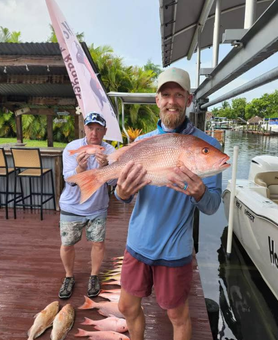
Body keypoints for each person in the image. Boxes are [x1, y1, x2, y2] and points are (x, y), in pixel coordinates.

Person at [115, 67, 222, 340]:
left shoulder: (206, 146)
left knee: (177, 315)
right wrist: (122, 192)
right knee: (126, 306)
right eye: (166, 94)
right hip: (138, 242)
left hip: (175, 249)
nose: (171, 101)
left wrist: (199, 193)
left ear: (189, 99)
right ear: (157, 100)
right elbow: (121, 195)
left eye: (178, 94)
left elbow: (212, 206)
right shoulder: (140, 143)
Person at [58, 112, 116, 299]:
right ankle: (68, 276)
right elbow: (68, 178)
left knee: (98, 243)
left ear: (105, 131)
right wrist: (80, 169)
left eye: (99, 129)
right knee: (67, 244)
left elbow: (113, 183)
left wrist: (106, 168)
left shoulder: (110, 151)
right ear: (85, 128)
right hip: (72, 206)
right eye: (91, 128)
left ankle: (94, 276)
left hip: (97, 207)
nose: (94, 133)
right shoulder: (72, 148)